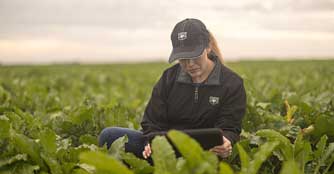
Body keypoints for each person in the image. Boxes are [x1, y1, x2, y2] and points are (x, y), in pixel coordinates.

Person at [98, 18, 246, 161]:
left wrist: (226, 142)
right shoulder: (168, 78)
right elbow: (151, 122)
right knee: (109, 136)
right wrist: (151, 142)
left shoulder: (232, 83)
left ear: (207, 47)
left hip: (206, 155)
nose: (189, 64)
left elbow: (229, 127)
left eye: (195, 56)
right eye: (183, 58)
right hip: (166, 152)